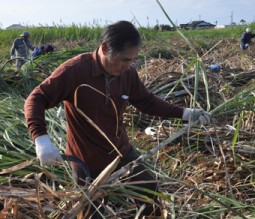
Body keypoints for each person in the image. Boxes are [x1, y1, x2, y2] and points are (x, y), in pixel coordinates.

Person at [24, 20, 211, 218]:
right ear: (105, 48)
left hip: (121, 151)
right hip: (85, 160)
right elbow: (36, 98)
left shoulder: (127, 73)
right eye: (124, 59)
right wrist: (41, 138)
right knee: (91, 211)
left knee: (149, 191)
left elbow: (146, 101)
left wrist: (184, 113)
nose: (128, 66)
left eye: (133, 60)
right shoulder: (76, 70)